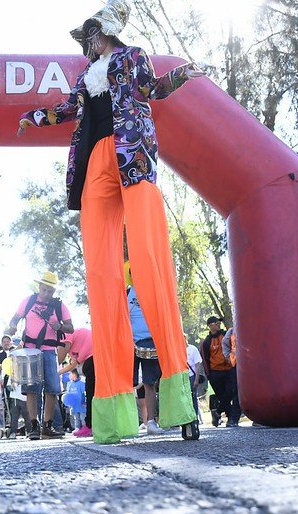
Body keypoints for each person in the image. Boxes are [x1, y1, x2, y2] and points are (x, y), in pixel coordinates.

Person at [16, 0, 204, 443]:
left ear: (109, 30)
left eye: (94, 32)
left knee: (148, 263)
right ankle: (115, 415)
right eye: (86, 36)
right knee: (101, 275)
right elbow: (70, 109)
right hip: (94, 164)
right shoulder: (85, 76)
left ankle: (182, 402)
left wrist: (181, 75)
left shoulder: (132, 55)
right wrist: (35, 116)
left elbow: (153, 89)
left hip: (132, 157)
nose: (89, 41)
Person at [5, 271, 74, 440]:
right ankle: (33, 426)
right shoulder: (28, 301)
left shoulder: (59, 306)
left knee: (52, 389)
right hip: (30, 350)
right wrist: (12, 327)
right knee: (31, 389)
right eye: (44, 290)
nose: (47, 294)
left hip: (50, 351)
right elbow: (14, 319)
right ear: (39, 287)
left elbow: (70, 327)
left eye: (50, 291)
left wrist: (60, 326)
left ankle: (47, 426)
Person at [126, 271, 164, 435]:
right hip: (129, 343)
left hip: (149, 342)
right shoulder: (126, 292)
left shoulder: (153, 291)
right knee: (127, 383)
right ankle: (126, 422)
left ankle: (151, 421)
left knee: (149, 383)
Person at [201, 316, 240, 427]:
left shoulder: (226, 335)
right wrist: (209, 375)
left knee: (230, 393)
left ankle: (219, 412)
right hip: (215, 373)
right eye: (215, 322)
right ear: (210, 325)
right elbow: (205, 360)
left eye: (219, 322)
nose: (218, 324)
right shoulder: (206, 342)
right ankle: (229, 419)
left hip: (229, 370)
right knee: (222, 396)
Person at [59, 327, 94, 437]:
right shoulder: (76, 334)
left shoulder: (66, 334)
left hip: (92, 360)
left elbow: (70, 360)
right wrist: (58, 373)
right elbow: (73, 363)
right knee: (93, 394)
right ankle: (91, 425)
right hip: (94, 359)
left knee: (91, 394)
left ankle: (89, 426)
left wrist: (55, 372)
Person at [185, 335, 206, 425]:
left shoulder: (192, 349)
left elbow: (197, 365)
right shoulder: (177, 350)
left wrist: (196, 379)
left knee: (193, 397)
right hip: (183, 376)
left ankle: (195, 417)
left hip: (192, 375)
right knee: (185, 398)